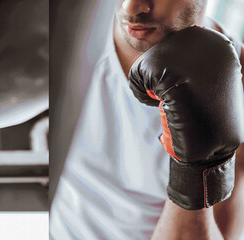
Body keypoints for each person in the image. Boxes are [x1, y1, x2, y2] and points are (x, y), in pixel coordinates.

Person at [51, 0, 244, 239]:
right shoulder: (64, 44)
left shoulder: (239, 83)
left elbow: (223, 232)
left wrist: (195, 173)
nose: (130, 8)